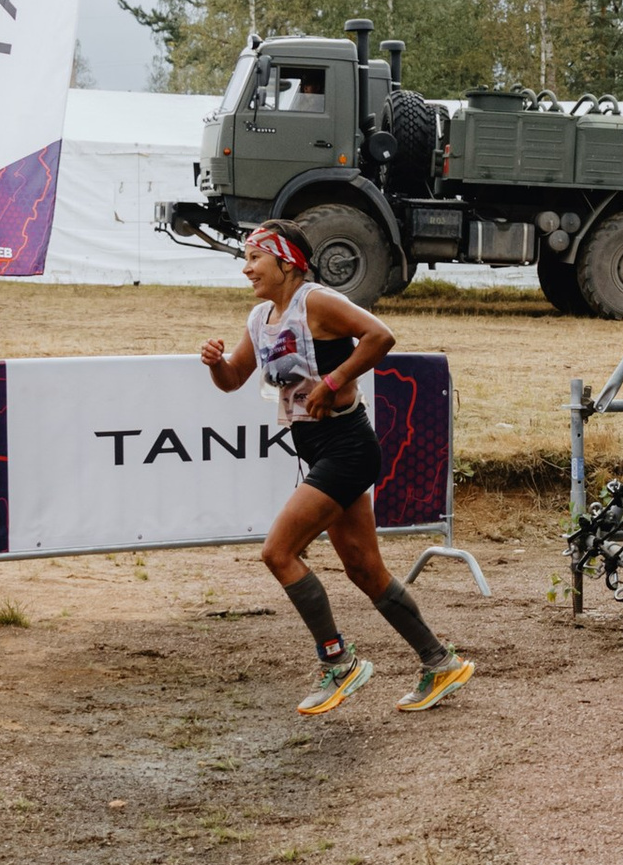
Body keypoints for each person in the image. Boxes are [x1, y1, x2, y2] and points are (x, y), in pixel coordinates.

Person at [202, 223, 474, 717]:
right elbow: (234, 379)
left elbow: (380, 336)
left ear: (286, 262)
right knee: (365, 570)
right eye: (245, 259)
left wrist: (334, 381)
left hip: (348, 448)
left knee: (278, 552)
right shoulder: (261, 318)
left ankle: (339, 662)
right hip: (319, 448)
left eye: (254, 258)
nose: (246, 269)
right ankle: (440, 662)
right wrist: (216, 363)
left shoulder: (317, 302)